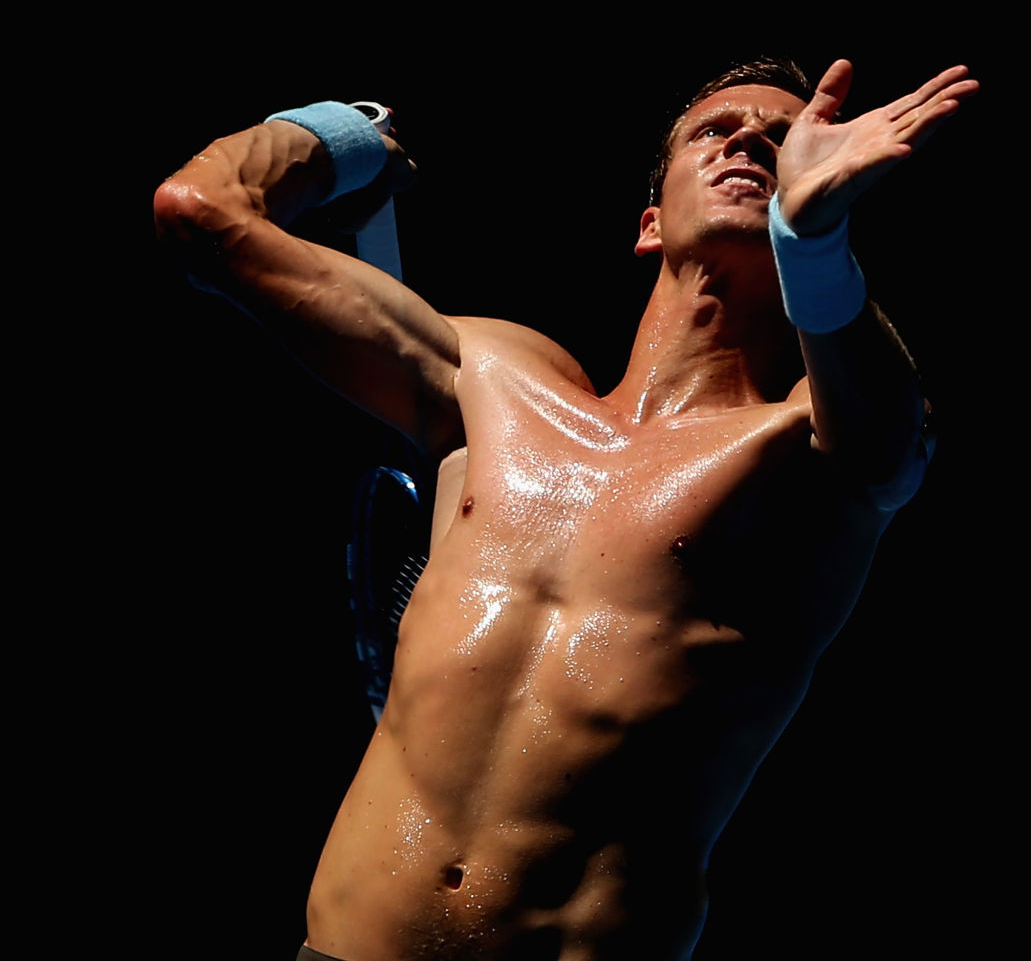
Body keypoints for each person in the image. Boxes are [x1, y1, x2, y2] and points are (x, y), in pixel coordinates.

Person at [154, 55, 977, 961]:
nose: (751, 140)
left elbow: (889, 444)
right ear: (649, 225)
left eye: (784, 140)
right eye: (718, 129)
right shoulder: (489, 377)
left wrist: (811, 244)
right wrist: (344, 134)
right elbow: (203, 216)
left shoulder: (804, 445)